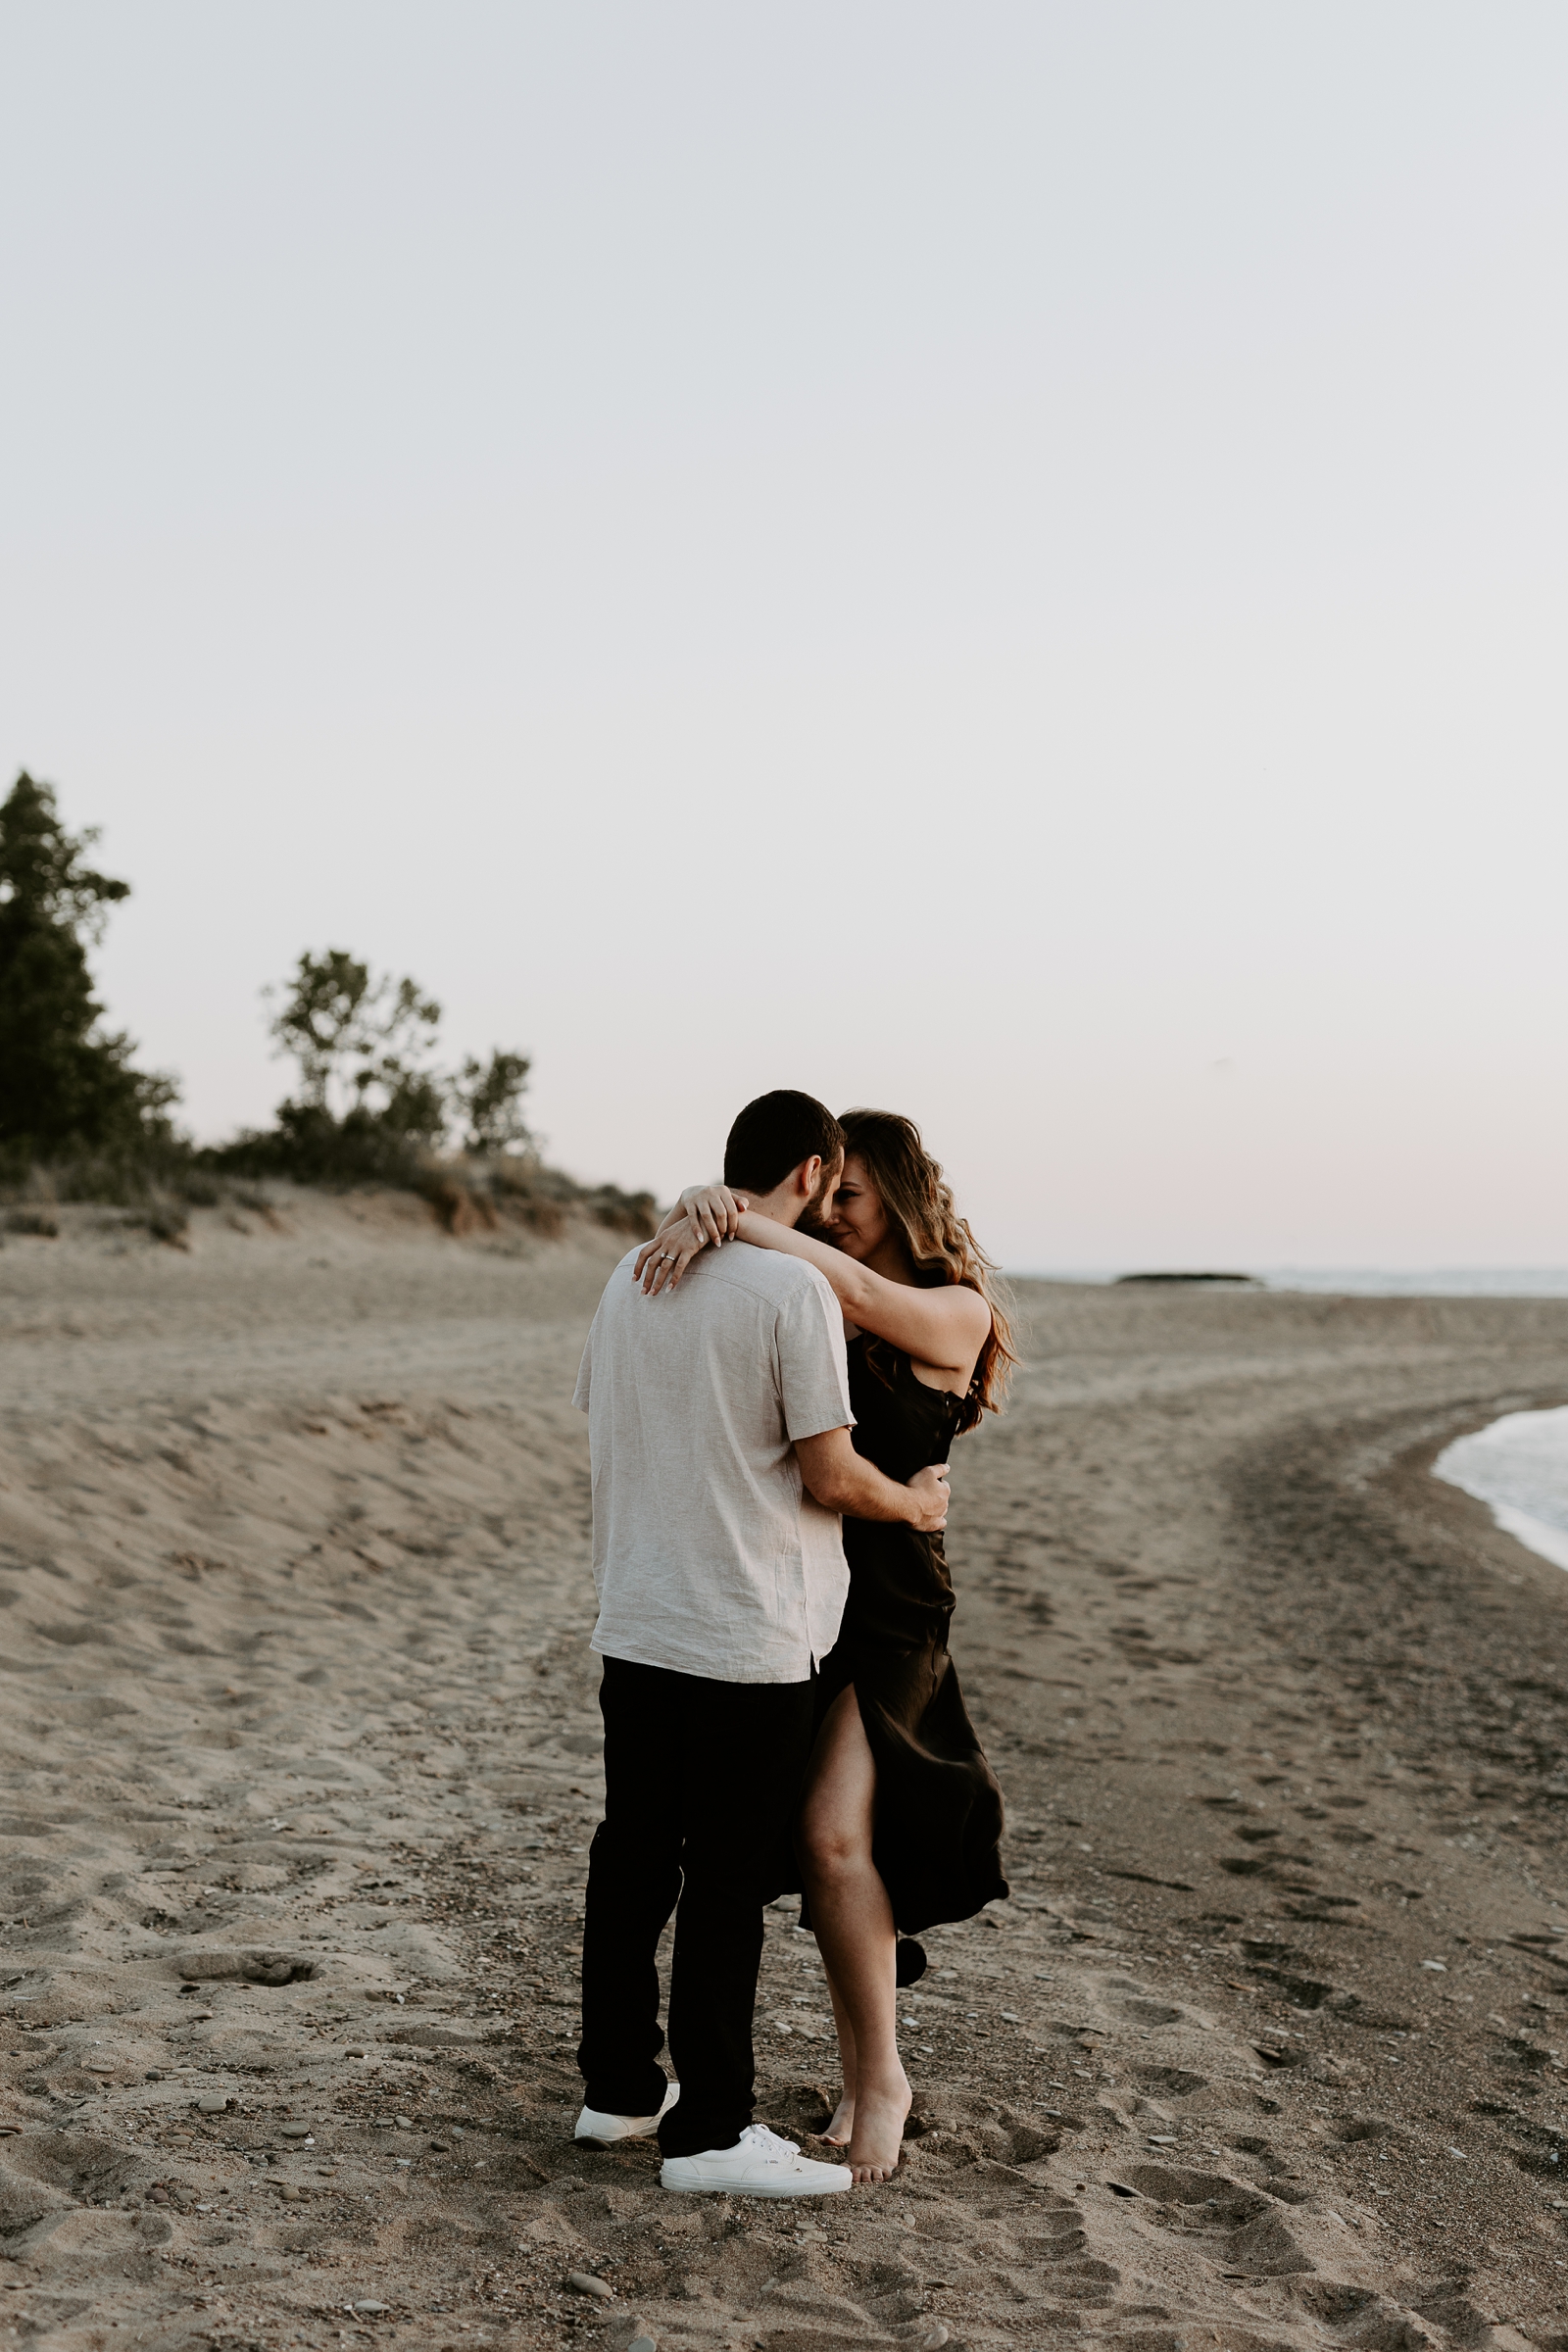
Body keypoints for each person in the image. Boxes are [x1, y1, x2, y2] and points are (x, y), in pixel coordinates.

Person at [570, 1090, 952, 2199]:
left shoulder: (629, 1271)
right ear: (814, 1164)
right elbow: (829, 1475)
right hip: (748, 1630)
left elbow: (607, 1415)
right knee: (726, 1882)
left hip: (638, 1614)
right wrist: (914, 1507)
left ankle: (618, 2095)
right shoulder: (790, 1289)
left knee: (632, 1858)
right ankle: (712, 2133)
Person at [636, 1108, 1016, 2184]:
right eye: (823, 1195)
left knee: (831, 1834)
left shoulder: (951, 1311)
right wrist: (709, 1211)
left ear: (895, 1196)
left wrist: (740, 1218)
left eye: (847, 1199)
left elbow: (849, 1292)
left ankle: (883, 2072)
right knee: (820, 1851)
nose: (834, 1218)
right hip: (799, 1595)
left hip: (895, 1608)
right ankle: (858, 2068)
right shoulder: (807, 1294)